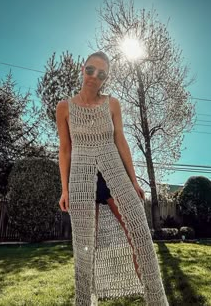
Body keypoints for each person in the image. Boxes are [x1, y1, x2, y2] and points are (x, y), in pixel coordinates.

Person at [56, 51, 169, 306]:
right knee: (85, 248)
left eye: (101, 73)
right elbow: (65, 149)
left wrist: (134, 181)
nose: (94, 76)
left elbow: (121, 141)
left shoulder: (112, 104)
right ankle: (85, 301)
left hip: (114, 174)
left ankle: (155, 299)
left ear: (106, 78)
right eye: (90, 70)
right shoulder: (64, 107)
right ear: (83, 69)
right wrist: (64, 190)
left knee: (140, 236)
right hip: (82, 180)